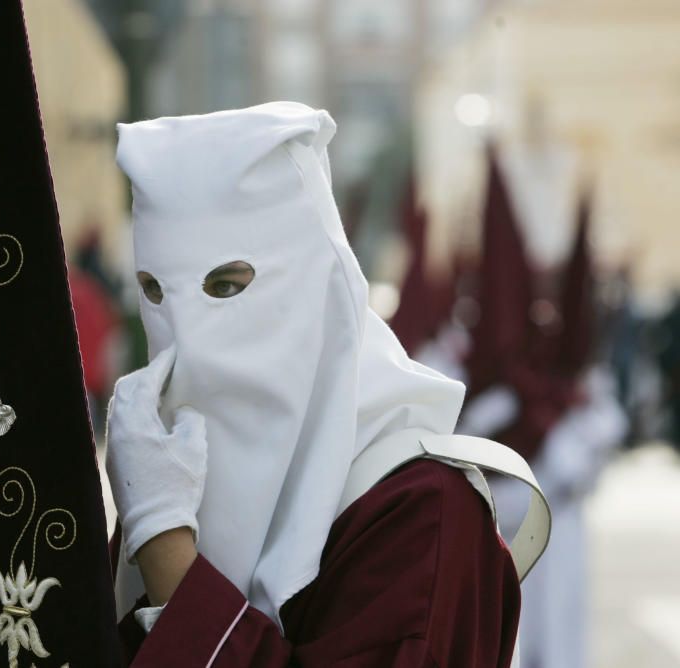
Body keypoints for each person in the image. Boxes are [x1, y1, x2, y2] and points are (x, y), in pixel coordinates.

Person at [105, 102, 547, 667]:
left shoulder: (423, 508)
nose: (187, 338)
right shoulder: (171, 474)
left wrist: (168, 551)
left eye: (225, 285)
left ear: (314, 277)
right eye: (154, 291)